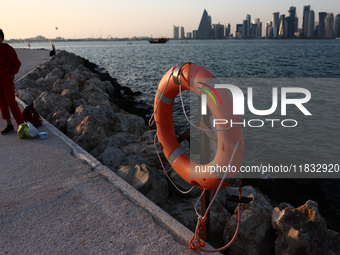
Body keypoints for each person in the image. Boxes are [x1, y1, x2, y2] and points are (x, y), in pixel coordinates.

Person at [0, 29, 24, 134]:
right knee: (2, 102)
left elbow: (17, 62)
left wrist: (11, 74)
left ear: (2, 38)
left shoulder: (7, 48)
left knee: (11, 102)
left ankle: (21, 124)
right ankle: (9, 124)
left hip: (6, 78)